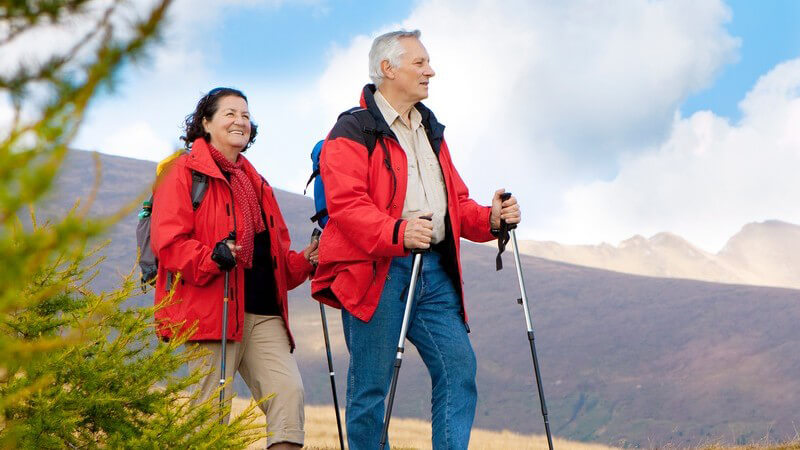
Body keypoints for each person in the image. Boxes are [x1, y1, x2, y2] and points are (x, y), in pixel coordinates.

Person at [311, 30, 521, 449]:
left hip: (434, 273)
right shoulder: (352, 130)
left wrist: (493, 219)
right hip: (376, 272)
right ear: (388, 68)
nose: (431, 71)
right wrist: (398, 231)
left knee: (460, 370)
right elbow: (346, 206)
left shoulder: (430, 128)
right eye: (420, 63)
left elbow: (455, 203)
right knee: (371, 388)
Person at [150, 87, 316, 449]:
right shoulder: (182, 173)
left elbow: (276, 260)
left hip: (262, 312)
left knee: (288, 398)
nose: (240, 120)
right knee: (208, 418)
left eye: (245, 115)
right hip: (211, 311)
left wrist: (308, 259)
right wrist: (212, 256)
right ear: (205, 123)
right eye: (230, 113)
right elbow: (168, 243)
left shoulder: (256, 182)